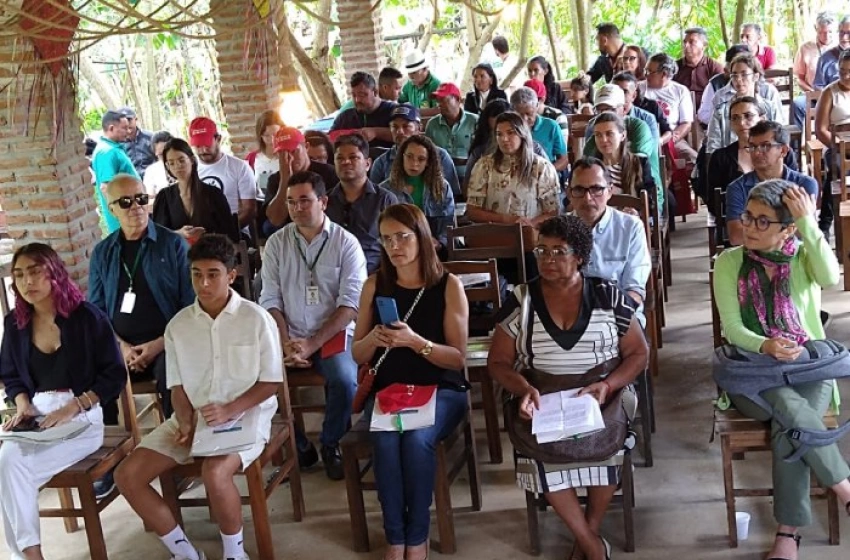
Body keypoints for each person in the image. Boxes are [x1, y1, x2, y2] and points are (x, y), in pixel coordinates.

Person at [488, 214, 648, 560]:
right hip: (543, 397)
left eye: (559, 251)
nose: (547, 259)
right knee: (541, 451)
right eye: (541, 251)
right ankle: (591, 543)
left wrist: (607, 385)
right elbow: (498, 362)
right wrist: (523, 389)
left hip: (601, 397)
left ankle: (586, 537)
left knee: (608, 448)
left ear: (581, 257)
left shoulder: (607, 295)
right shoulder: (522, 299)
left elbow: (639, 353)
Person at [115, 234, 284, 560]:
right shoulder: (178, 327)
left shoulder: (256, 319)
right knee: (127, 475)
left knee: (214, 472)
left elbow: (270, 382)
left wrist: (230, 409)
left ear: (231, 275)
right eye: (196, 274)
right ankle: (185, 553)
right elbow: (178, 387)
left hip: (246, 415)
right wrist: (185, 420)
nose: (203, 283)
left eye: (213, 274)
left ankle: (234, 554)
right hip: (193, 416)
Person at [712, 179, 850, 560]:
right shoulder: (729, 262)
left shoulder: (804, 256)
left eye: (763, 221)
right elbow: (732, 329)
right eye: (748, 217)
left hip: (807, 365)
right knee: (790, 410)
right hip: (752, 373)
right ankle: (844, 489)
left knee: (789, 422)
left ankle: (787, 536)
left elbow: (831, 277)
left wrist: (809, 224)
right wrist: (766, 345)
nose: (749, 228)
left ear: (788, 229)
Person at [351, 203, 469, 560]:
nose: (394, 246)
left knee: (416, 440)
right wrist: (374, 338)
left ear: (422, 238)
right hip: (390, 390)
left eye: (402, 237)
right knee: (386, 441)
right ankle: (395, 537)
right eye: (386, 239)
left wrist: (416, 342)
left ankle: (416, 536)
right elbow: (357, 354)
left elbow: (457, 358)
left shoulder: (448, 285)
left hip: (440, 389)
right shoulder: (375, 285)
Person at [0, 243, 126, 560]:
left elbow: (114, 375)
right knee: (7, 462)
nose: (27, 281)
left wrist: (75, 406)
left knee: (10, 474)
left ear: (54, 273)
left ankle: (24, 557)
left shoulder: (88, 317)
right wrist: (23, 404)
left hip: (83, 413)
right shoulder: (15, 323)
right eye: (19, 275)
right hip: (39, 413)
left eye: (35, 272)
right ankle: (32, 554)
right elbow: (10, 374)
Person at [259, 170, 367, 479]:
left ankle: (332, 444)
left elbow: (350, 305)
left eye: (304, 201)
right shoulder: (277, 243)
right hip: (288, 334)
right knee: (257, 379)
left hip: (333, 334)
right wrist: (285, 342)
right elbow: (270, 299)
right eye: (291, 202)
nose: (297, 208)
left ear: (323, 202)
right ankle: (299, 445)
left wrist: (311, 344)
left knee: (344, 380)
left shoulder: (346, 243)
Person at [89, 174, 195, 427]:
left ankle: (177, 436)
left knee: (172, 372)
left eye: (141, 199)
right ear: (112, 209)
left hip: (168, 342)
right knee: (89, 371)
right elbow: (96, 312)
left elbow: (190, 305)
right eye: (125, 202)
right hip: (121, 347)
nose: (136, 207)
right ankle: (110, 443)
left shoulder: (173, 244)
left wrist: (159, 344)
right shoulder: (103, 252)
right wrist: (122, 347)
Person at [568, 157, 651, 323]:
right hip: (571, 318)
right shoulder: (558, 231)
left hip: (620, 315)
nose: (588, 198)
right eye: (579, 190)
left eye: (596, 189)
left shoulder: (631, 227)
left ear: (610, 191)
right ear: (569, 193)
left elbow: (634, 290)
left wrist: (607, 321)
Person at [725, 121, 818, 246]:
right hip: (752, 255)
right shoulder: (737, 188)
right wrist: (785, 232)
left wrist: (758, 233)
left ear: (783, 150)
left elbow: (809, 231)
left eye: (765, 146)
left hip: (796, 253)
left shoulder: (804, 185)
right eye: (752, 147)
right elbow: (736, 236)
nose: (756, 153)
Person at [705, 97, 797, 217]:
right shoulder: (720, 158)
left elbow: (795, 190)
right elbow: (714, 203)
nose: (741, 123)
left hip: (781, 219)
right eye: (735, 118)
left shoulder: (781, 152)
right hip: (736, 220)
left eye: (748, 116)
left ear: (762, 118)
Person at [466, 112, 560, 226]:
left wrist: (527, 225)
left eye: (510, 133)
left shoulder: (542, 167)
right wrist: (504, 219)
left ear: (522, 134)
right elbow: (472, 211)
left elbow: (552, 212)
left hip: (532, 232)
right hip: (494, 233)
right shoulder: (484, 165)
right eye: (499, 134)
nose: (504, 139)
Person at [326, 134, 399, 274]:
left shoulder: (385, 199)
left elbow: (395, 244)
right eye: (340, 158)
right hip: (332, 275)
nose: (346, 162)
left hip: (373, 275)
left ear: (367, 164)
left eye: (353, 157)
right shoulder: (324, 201)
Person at [584, 85, 663, 209]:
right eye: (599, 110)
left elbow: (646, 191)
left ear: (623, 108)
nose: (603, 139)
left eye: (610, 109)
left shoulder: (639, 130)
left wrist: (638, 211)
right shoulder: (592, 129)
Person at [153, 138, 240, 243]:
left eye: (181, 160)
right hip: (178, 251)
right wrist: (179, 234)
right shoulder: (164, 197)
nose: (177, 166)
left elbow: (230, 234)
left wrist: (205, 236)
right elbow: (157, 235)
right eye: (171, 163)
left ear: (192, 160)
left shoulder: (213, 194)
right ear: (167, 166)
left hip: (211, 250)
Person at [379, 134, 455, 247]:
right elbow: (380, 229)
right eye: (409, 157)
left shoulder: (442, 187)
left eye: (421, 159)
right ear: (402, 157)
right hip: (398, 247)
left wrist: (439, 243)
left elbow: (448, 223)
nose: (414, 163)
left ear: (428, 162)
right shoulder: (385, 189)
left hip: (435, 247)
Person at [370, 104, 460, 197]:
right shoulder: (381, 162)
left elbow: (453, 195)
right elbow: (374, 199)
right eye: (395, 126)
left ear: (419, 128)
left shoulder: (440, 156)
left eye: (406, 126)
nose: (399, 131)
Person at [263, 126, 339, 236]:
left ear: (306, 147)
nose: (289, 158)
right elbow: (275, 220)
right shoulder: (275, 179)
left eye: (294, 151)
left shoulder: (329, 172)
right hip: (290, 236)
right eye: (283, 154)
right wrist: (285, 180)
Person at [705, 53, 785, 155]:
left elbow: (779, 141)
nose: (738, 79)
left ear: (756, 76)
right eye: (734, 75)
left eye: (744, 74)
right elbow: (712, 150)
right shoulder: (721, 111)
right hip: (730, 162)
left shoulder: (770, 108)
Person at [188, 117, 259, 231]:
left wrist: (227, 230)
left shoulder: (240, 167)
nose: (203, 150)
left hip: (235, 231)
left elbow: (249, 210)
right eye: (198, 146)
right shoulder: (189, 171)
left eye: (207, 144)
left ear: (218, 139)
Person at [814, 48, 850, 237]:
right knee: (837, 168)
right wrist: (840, 147)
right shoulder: (830, 92)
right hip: (836, 146)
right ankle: (825, 223)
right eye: (842, 70)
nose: (846, 75)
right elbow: (820, 130)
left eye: (849, 71)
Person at [587, 113, 656, 211]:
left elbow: (650, 201)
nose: (604, 140)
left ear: (623, 135)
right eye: (598, 135)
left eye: (609, 134)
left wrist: (638, 212)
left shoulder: (639, 163)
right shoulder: (589, 167)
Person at [641, 53, 696, 163]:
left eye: (650, 72)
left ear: (664, 74)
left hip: (672, 139)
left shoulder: (680, 91)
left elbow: (686, 124)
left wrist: (668, 140)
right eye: (645, 71)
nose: (646, 75)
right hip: (643, 139)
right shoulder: (639, 88)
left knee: (694, 159)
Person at [92, 110, 137, 235]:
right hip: (124, 220)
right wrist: (123, 215)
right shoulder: (106, 152)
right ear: (111, 128)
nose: (128, 131)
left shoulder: (112, 148)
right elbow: (106, 187)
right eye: (124, 128)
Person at [330, 72, 397, 150]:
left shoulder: (394, 111)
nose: (357, 100)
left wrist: (376, 132)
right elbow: (329, 139)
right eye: (354, 95)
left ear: (375, 92)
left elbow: (406, 135)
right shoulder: (345, 117)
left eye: (362, 95)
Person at [424, 82, 479, 178]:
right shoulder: (432, 124)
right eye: (438, 101)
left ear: (458, 100)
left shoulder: (475, 121)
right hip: (441, 178)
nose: (439, 104)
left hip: (471, 177)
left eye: (443, 100)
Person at [510, 86, 570, 173]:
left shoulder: (551, 126)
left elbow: (563, 160)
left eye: (529, 113)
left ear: (537, 106)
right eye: (519, 115)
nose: (525, 119)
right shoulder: (508, 128)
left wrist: (546, 171)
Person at [792, 12, 837, 127]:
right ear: (816, 29)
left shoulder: (841, 48)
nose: (826, 36)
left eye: (830, 32)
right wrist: (813, 92)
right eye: (822, 32)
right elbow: (799, 79)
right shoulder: (805, 48)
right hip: (812, 95)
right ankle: (799, 138)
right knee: (797, 104)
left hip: (836, 96)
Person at [698, 44, 751, 126]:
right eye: (735, 70)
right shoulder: (716, 85)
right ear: (727, 69)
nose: (739, 78)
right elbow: (703, 115)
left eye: (744, 72)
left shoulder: (766, 89)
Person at [674, 27, 725, 110]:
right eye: (685, 42)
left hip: (708, 115)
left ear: (704, 46)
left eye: (692, 42)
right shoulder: (674, 67)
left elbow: (723, 97)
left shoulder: (715, 68)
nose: (686, 46)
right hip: (679, 114)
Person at [611, 72, 668, 143]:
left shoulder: (647, 118)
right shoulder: (603, 115)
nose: (619, 95)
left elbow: (653, 147)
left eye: (625, 92)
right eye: (615, 91)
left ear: (634, 96)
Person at [245, 110, 285, 196]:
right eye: (267, 135)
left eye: (276, 134)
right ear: (260, 136)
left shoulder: (289, 156)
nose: (272, 140)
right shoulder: (252, 159)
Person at [525, 79, 570, 145]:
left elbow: (562, 146)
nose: (526, 103)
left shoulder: (558, 117)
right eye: (524, 99)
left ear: (542, 99)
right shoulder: (519, 116)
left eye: (531, 100)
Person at [399, 49, 441, 117]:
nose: (410, 76)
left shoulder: (435, 85)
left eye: (414, 72)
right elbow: (401, 99)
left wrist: (413, 111)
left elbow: (438, 110)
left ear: (425, 69)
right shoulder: (410, 83)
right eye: (409, 73)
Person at [813, 15, 850, 90]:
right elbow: (818, 87)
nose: (844, 37)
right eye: (841, 32)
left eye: (849, 33)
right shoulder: (825, 59)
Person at [119, 107, 157, 179]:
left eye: (129, 120)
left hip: (152, 178)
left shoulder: (150, 137)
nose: (126, 124)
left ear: (136, 119)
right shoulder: (118, 143)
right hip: (131, 181)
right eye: (123, 122)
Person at [143, 130, 175, 197]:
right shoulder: (151, 171)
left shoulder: (185, 165)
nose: (165, 157)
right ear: (155, 154)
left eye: (167, 152)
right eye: (161, 154)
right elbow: (149, 197)